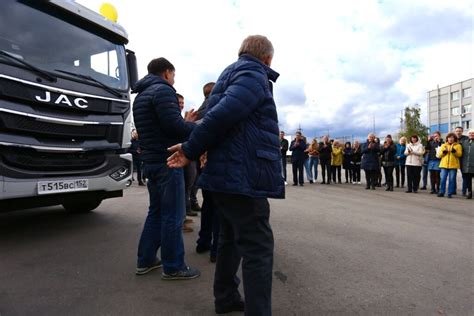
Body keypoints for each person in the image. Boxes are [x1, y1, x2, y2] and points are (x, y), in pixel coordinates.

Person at [167, 35, 283, 315]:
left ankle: (226, 297)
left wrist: (196, 145)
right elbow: (222, 115)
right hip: (242, 175)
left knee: (230, 238)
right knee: (258, 246)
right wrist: (192, 149)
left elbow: (213, 117)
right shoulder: (254, 74)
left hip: (226, 172)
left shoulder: (230, 74)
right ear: (267, 58)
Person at [132, 57, 200, 279]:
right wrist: (189, 123)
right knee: (173, 215)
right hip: (167, 160)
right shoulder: (163, 91)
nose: (173, 79)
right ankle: (173, 266)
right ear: (167, 73)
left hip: (150, 160)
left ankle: (146, 259)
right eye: (173, 75)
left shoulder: (141, 96)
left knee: (157, 212)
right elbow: (174, 126)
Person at [178, 93, 198, 234]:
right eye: (179, 102)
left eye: (182, 102)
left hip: (187, 157)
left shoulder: (179, 118)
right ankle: (181, 220)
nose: (181, 104)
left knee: (187, 187)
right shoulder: (176, 119)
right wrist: (188, 124)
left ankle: (183, 217)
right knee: (184, 189)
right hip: (183, 157)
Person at [196, 153, 220, 262]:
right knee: (218, 208)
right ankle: (216, 249)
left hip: (205, 163)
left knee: (208, 204)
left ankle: (204, 241)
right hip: (220, 163)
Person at [437, 133, 462, 198]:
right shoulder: (443, 145)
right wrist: (443, 153)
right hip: (444, 165)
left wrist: (454, 152)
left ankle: (449, 193)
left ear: (454, 138)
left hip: (453, 165)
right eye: (449, 137)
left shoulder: (458, 145)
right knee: (443, 179)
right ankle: (442, 192)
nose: (450, 139)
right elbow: (439, 155)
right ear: (447, 138)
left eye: (452, 137)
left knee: (452, 179)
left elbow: (459, 155)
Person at [455, 126, 469, 196]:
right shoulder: (452, 138)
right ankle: (453, 190)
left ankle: (464, 191)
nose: (458, 132)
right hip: (454, 160)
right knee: (453, 176)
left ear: (462, 131)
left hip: (463, 160)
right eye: (457, 131)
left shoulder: (466, 138)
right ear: (455, 132)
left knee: (464, 176)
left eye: (460, 131)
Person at [460, 129, 474, 199]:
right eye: (470, 133)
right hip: (466, 165)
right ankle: (469, 193)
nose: (471, 134)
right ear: (468, 135)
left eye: (473, 133)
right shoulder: (464, 142)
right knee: (468, 180)